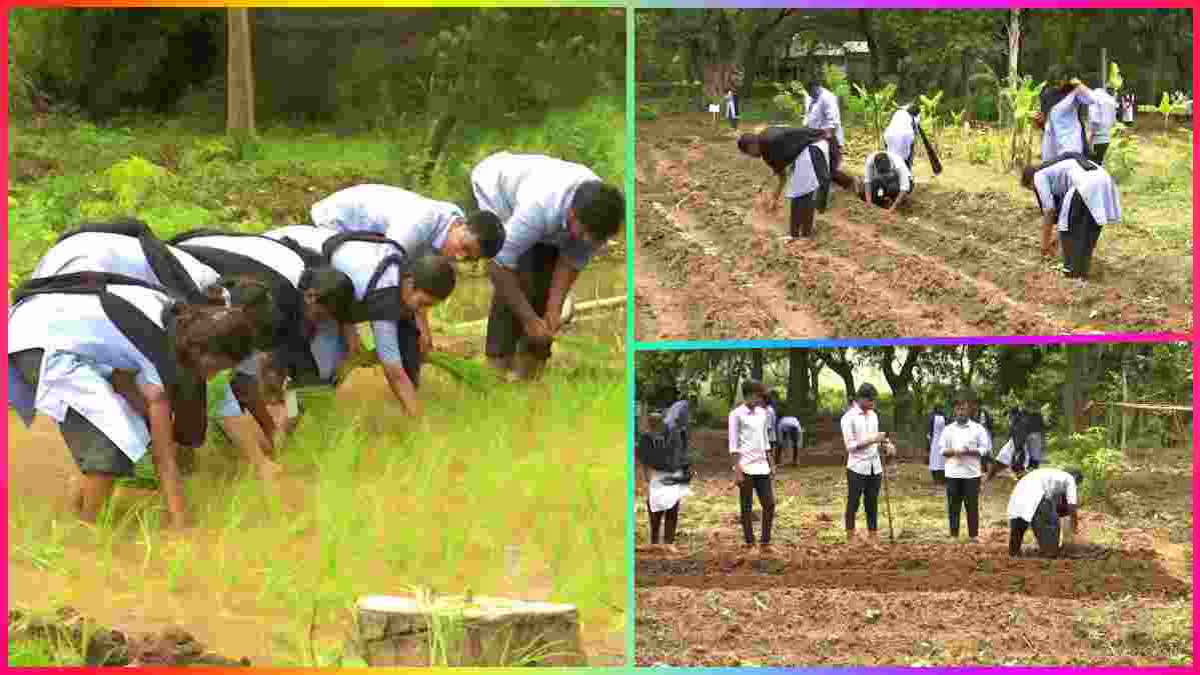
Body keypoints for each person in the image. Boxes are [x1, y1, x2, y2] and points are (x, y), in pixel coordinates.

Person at [8, 273, 277, 528]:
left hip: (60, 328)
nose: (213, 375)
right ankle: (84, 533)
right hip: (42, 339)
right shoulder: (162, 355)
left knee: (126, 429)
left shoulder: (179, 320)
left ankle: (79, 506)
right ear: (201, 350)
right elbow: (164, 458)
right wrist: (181, 522)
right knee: (112, 440)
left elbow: (124, 376)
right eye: (216, 366)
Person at [167, 229, 360, 476]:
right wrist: (265, 450)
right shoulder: (213, 310)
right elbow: (229, 389)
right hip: (185, 260)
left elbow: (298, 378)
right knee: (191, 387)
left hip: (221, 263)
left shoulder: (281, 306)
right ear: (310, 298)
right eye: (320, 316)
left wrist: (280, 430)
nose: (319, 323)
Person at [263, 225, 457, 417]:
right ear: (409, 282)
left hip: (318, 282)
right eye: (422, 303)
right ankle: (287, 414)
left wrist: (351, 335)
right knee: (316, 366)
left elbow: (350, 292)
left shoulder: (401, 270)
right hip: (283, 258)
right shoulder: (385, 293)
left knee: (325, 365)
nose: (420, 311)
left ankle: (299, 415)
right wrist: (418, 420)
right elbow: (394, 371)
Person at [470, 152, 624, 380]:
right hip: (497, 190)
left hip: (545, 207)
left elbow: (570, 262)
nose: (586, 242)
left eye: (593, 239)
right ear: (572, 214)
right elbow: (497, 265)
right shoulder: (539, 207)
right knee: (520, 281)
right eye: (582, 234)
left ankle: (530, 373)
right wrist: (530, 319)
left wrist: (553, 311)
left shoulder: (598, 218)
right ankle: (496, 367)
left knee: (543, 284)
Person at [310, 183, 505, 262]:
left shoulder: (448, 229)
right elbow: (386, 269)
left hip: (368, 237)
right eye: (465, 247)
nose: (460, 257)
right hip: (333, 221)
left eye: (470, 258)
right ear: (461, 224)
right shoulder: (421, 221)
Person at [1021, 155, 1122, 279]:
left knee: (1069, 231)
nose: (1035, 191)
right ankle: (1081, 273)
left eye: (1032, 189)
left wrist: (1044, 244)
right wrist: (1057, 239)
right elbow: (1070, 218)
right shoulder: (1056, 170)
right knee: (1088, 230)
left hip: (1085, 184)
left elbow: (1049, 210)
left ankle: (1072, 274)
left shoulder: (1038, 176)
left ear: (1030, 181)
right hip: (1104, 179)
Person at [737, 126, 836, 238]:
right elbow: (782, 176)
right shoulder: (766, 149)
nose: (752, 157)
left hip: (813, 146)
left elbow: (797, 134)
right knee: (798, 190)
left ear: (751, 146)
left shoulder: (771, 140)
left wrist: (823, 133)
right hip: (809, 149)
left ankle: (803, 235)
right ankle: (799, 232)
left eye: (748, 153)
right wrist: (775, 197)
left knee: (801, 190)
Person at [840, 383, 895, 542]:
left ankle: (873, 535)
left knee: (872, 501)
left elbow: (878, 439)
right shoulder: (848, 418)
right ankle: (850, 536)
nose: (873, 404)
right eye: (871, 401)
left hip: (875, 466)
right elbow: (850, 446)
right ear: (861, 399)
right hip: (857, 466)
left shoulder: (873, 415)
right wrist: (872, 440)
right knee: (854, 501)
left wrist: (886, 444)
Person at [939, 391, 992, 542]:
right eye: (958, 409)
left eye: (964, 408)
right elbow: (942, 450)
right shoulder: (948, 430)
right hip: (953, 473)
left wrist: (972, 451)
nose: (961, 412)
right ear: (954, 410)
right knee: (953, 506)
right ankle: (953, 535)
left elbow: (985, 449)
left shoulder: (978, 429)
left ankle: (973, 536)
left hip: (972, 474)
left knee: (972, 506)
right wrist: (954, 451)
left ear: (969, 410)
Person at [729, 380, 774, 552]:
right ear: (749, 395)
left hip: (762, 465)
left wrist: (771, 461)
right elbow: (733, 444)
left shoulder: (763, 413)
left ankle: (765, 542)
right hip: (745, 466)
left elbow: (765, 439)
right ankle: (749, 542)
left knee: (769, 504)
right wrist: (737, 470)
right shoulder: (736, 414)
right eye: (757, 396)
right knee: (746, 507)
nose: (760, 400)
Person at [637, 412, 689, 553]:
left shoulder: (673, 435)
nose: (654, 426)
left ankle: (669, 542)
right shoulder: (646, 438)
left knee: (672, 507)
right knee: (654, 508)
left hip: (673, 474)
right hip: (656, 475)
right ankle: (654, 542)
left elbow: (680, 455)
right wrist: (646, 481)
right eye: (652, 423)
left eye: (657, 423)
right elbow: (644, 460)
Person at [1007, 467, 1084, 558]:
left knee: (1019, 523)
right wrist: (1074, 526)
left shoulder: (1053, 476)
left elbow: (1056, 505)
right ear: (1076, 479)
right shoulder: (1070, 479)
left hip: (1018, 491)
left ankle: (1014, 552)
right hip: (1037, 493)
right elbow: (1071, 507)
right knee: (1051, 522)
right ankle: (1050, 552)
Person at [1036, 75, 1096, 162]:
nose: (1058, 83)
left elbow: (1092, 98)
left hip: (1070, 147)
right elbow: (1046, 125)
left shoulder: (1074, 94)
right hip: (1051, 150)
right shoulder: (1049, 95)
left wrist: (1079, 84)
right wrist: (1040, 122)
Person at [1087, 85, 1119, 165]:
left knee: (1094, 164)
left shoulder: (1095, 99)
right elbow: (1114, 121)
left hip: (1098, 138)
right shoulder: (1111, 101)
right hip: (1108, 137)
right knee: (1102, 163)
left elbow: (1094, 120)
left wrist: (1090, 139)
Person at [883, 103, 921, 169]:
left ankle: (891, 172)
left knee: (891, 157)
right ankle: (907, 174)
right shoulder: (915, 118)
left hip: (889, 135)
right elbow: (915, 132)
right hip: (905, 135)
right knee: (905, 158)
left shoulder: (898, 112)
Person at [663, 392, 691, 472]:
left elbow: (669, 414)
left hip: (667, 424)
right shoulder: (685, 404)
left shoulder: (677, 403)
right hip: (673, 426)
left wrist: (683, 428)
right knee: (677, 445)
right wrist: (681, 427)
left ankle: (671, 463)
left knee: (671, 445)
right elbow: (678, 418)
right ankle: (674, 466)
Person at [927, 405, 947, 483]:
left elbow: (930, 431)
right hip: (938, 440)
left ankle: (939, 479)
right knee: (938, 460)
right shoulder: (942, 417)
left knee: (938, 460)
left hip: (938, 441)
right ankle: (939, 479)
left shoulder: (934, 417)